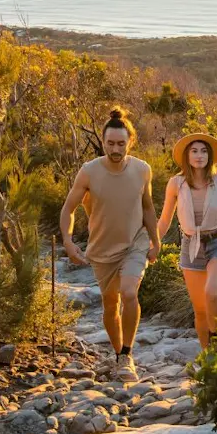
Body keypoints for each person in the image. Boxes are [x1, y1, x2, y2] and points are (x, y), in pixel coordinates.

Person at [59, 106, 160, 380]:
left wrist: (155, 241)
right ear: (103, 142)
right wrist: (68, 241)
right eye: (110, 143)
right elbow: (68, 209)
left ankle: (126, 355)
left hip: (134, 243)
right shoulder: (89, 172)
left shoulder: (142, 170)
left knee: (129, 292)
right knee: (109, 305)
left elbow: (148, 208)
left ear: (130, 142)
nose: (115, 148)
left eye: (121, 143)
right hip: (102, 249)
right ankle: (118, 354)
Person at [158, 131, 217, 349]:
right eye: (194, 151)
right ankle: (209, 357)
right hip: (191, 246)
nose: (199, 155)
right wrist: (153, 244)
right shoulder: (175, 184)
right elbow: (164, 219)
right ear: (187, 157)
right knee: (199, 309)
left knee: (212, 291)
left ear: (210, 156)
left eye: (204, 151)